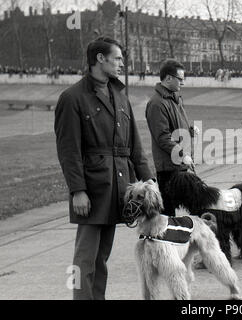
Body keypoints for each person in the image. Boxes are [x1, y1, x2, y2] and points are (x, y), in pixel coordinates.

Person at [54, 37, 154, 300]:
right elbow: (69, 150)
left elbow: (135, 146)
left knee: (102, 259)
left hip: (118, 188)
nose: (122, 63)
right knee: (83, 259)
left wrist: (149, 180)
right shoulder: (72, 98)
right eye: (118, 58)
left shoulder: (120, 97)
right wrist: (78, 190)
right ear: (100, 58)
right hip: (92, 188)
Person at [146, 59, 196, 217]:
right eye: (180, 79)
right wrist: (182, 155)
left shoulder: (175, 98)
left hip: (179, 165)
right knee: (167, 215)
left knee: (195, 207)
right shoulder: (156, 103)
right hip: (168, 168)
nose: (183, 83)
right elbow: (163, 137)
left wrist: (190, 131)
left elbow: (175, 127)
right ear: (168, 78)